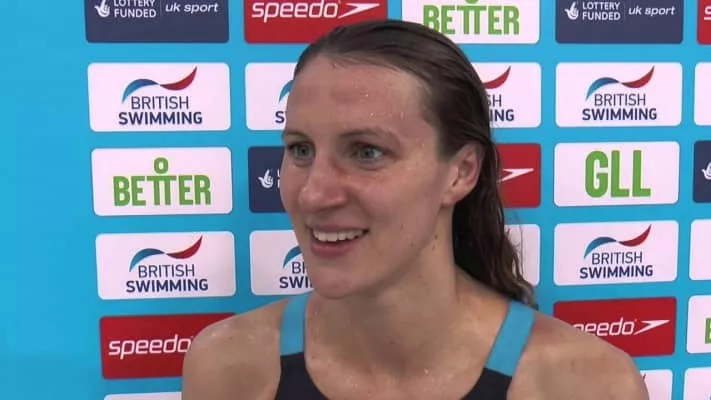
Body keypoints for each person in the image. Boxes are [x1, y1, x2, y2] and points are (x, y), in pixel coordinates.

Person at [182, 19, 649, 400]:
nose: (313, 194)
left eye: (367, 152)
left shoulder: (589, 384)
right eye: (301, 149)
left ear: (461, 172)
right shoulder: (228, 368)